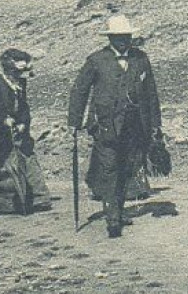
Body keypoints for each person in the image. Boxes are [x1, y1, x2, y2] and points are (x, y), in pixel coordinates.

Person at [68, 15, 164, 238]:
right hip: (106, 126)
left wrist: (156, 125)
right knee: (110, 169)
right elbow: (79, 90)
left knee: (126, 169)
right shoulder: (96, 60)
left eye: (127, 36)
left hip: (134, 126)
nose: (123, 41)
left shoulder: (141, 59)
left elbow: (151, 94)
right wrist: (74, 122)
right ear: (110, 38)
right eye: (119, 37)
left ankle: (118, 211)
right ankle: (112, 219)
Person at [0, 48, 49, 215]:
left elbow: (23, 107)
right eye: (19, 72)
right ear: (9, 71)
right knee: (2, 171)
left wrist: (24, 122)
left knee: (29, 160)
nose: (23, 75)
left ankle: (40, 198)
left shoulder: (20, 84)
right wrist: (3, 120)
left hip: (18, 133)